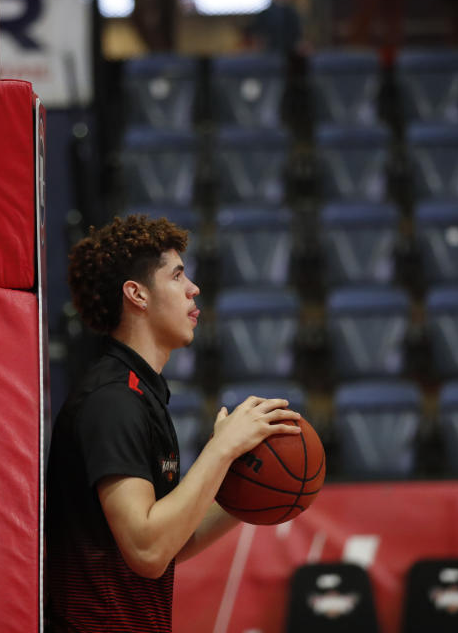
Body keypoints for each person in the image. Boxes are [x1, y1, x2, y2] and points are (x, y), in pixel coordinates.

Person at [44, 215, 302, 632]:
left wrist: (249, 491)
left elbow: (167, 544)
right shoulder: (112, 401)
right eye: (177, 275)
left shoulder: (141, 393)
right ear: (137, 294)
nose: (193, 288)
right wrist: (221, 450)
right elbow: (146, 550)